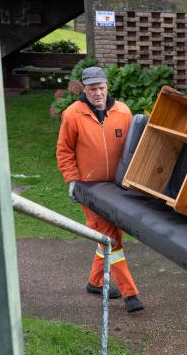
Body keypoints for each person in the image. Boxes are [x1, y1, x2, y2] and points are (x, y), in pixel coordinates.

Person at [56, 66, 144, 312]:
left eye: (101, 88)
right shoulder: (73, 115)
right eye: (93, 89)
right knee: (111, 239)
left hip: (117, 188)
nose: (98, 93)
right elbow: (64, 151)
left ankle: (95, 282)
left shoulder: (123, 112)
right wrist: (72, 180)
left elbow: (133, 146)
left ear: (107, 87)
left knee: (109, 235)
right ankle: (131, 294)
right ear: (84, 89)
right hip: (90, 189)